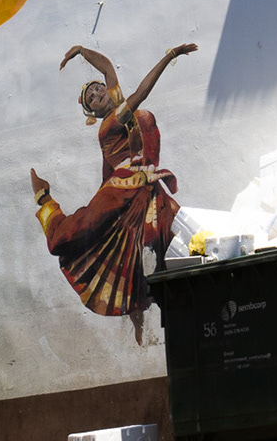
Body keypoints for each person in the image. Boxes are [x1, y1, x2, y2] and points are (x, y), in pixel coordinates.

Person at [30, 41, 197, 338]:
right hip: (121, 186)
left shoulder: (117, 106)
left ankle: (147, 305)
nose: (97, 93)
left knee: (159, 236)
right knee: (83, 227)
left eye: (98, 88)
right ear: (90, 112)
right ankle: (46, 203)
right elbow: (142, 93)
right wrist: (170, 55)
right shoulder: (113, 120)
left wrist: (82, 51)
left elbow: (107, 67)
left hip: (143, 183)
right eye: (91, 97)